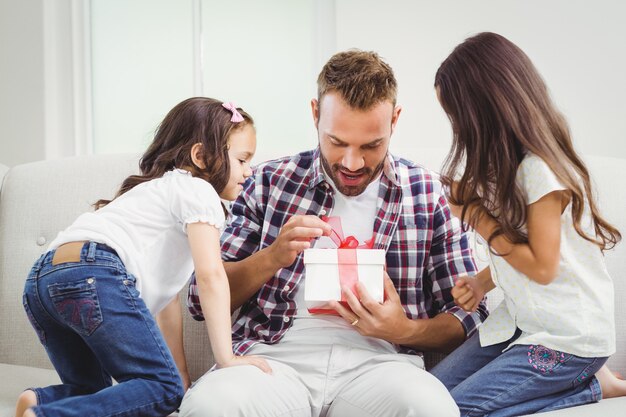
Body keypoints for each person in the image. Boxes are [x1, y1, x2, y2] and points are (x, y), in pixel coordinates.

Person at [180, 50, 487, 417]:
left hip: (379, 368)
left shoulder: (427, 191)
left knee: (431, 409)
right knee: (210, 406)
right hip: (273, 361)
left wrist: (403, 329)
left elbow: (468, 315)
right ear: (314, 114)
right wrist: (272, 256)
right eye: (337, 142)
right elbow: (200, 299)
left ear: (395, 120)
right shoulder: (267, 181)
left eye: (371, 145)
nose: (352, 163)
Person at [15, 97, 270, 417]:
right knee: (161, 390)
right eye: (243, 160)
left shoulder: (151, 191)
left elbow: (167, 304)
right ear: (201, 156)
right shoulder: (199, 191)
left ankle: (40, 402)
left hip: (43, 279)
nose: (249, 171)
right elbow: (211, 276)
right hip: (94, 273)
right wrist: (226, 358)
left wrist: (180, 376)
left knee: (94, 393)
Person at [429, 32, 626, 416]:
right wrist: (481, 281)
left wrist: (476, 216)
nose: (457, 129)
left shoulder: (541, 171)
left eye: (457, 117)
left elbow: (543, 266)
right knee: (426, 396)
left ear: (484, 111)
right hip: (522, 324)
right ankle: (588, 381)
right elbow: (519, 249)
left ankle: (591, 386)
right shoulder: (505, 169)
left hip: (569, 338)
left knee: (456, 411)